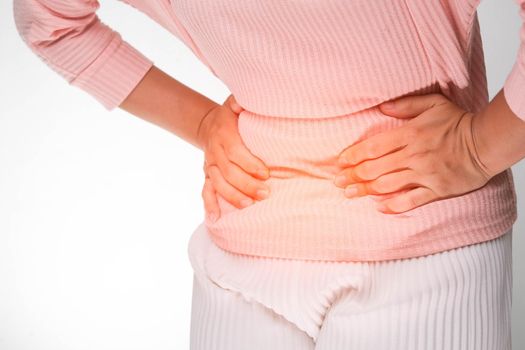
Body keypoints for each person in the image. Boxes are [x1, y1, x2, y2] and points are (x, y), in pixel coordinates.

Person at [13, 0, 525, 348]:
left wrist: (479, 148)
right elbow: (50, 19)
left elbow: (49, 21)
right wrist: (201, 122)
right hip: (251, 246)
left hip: (417, 245)